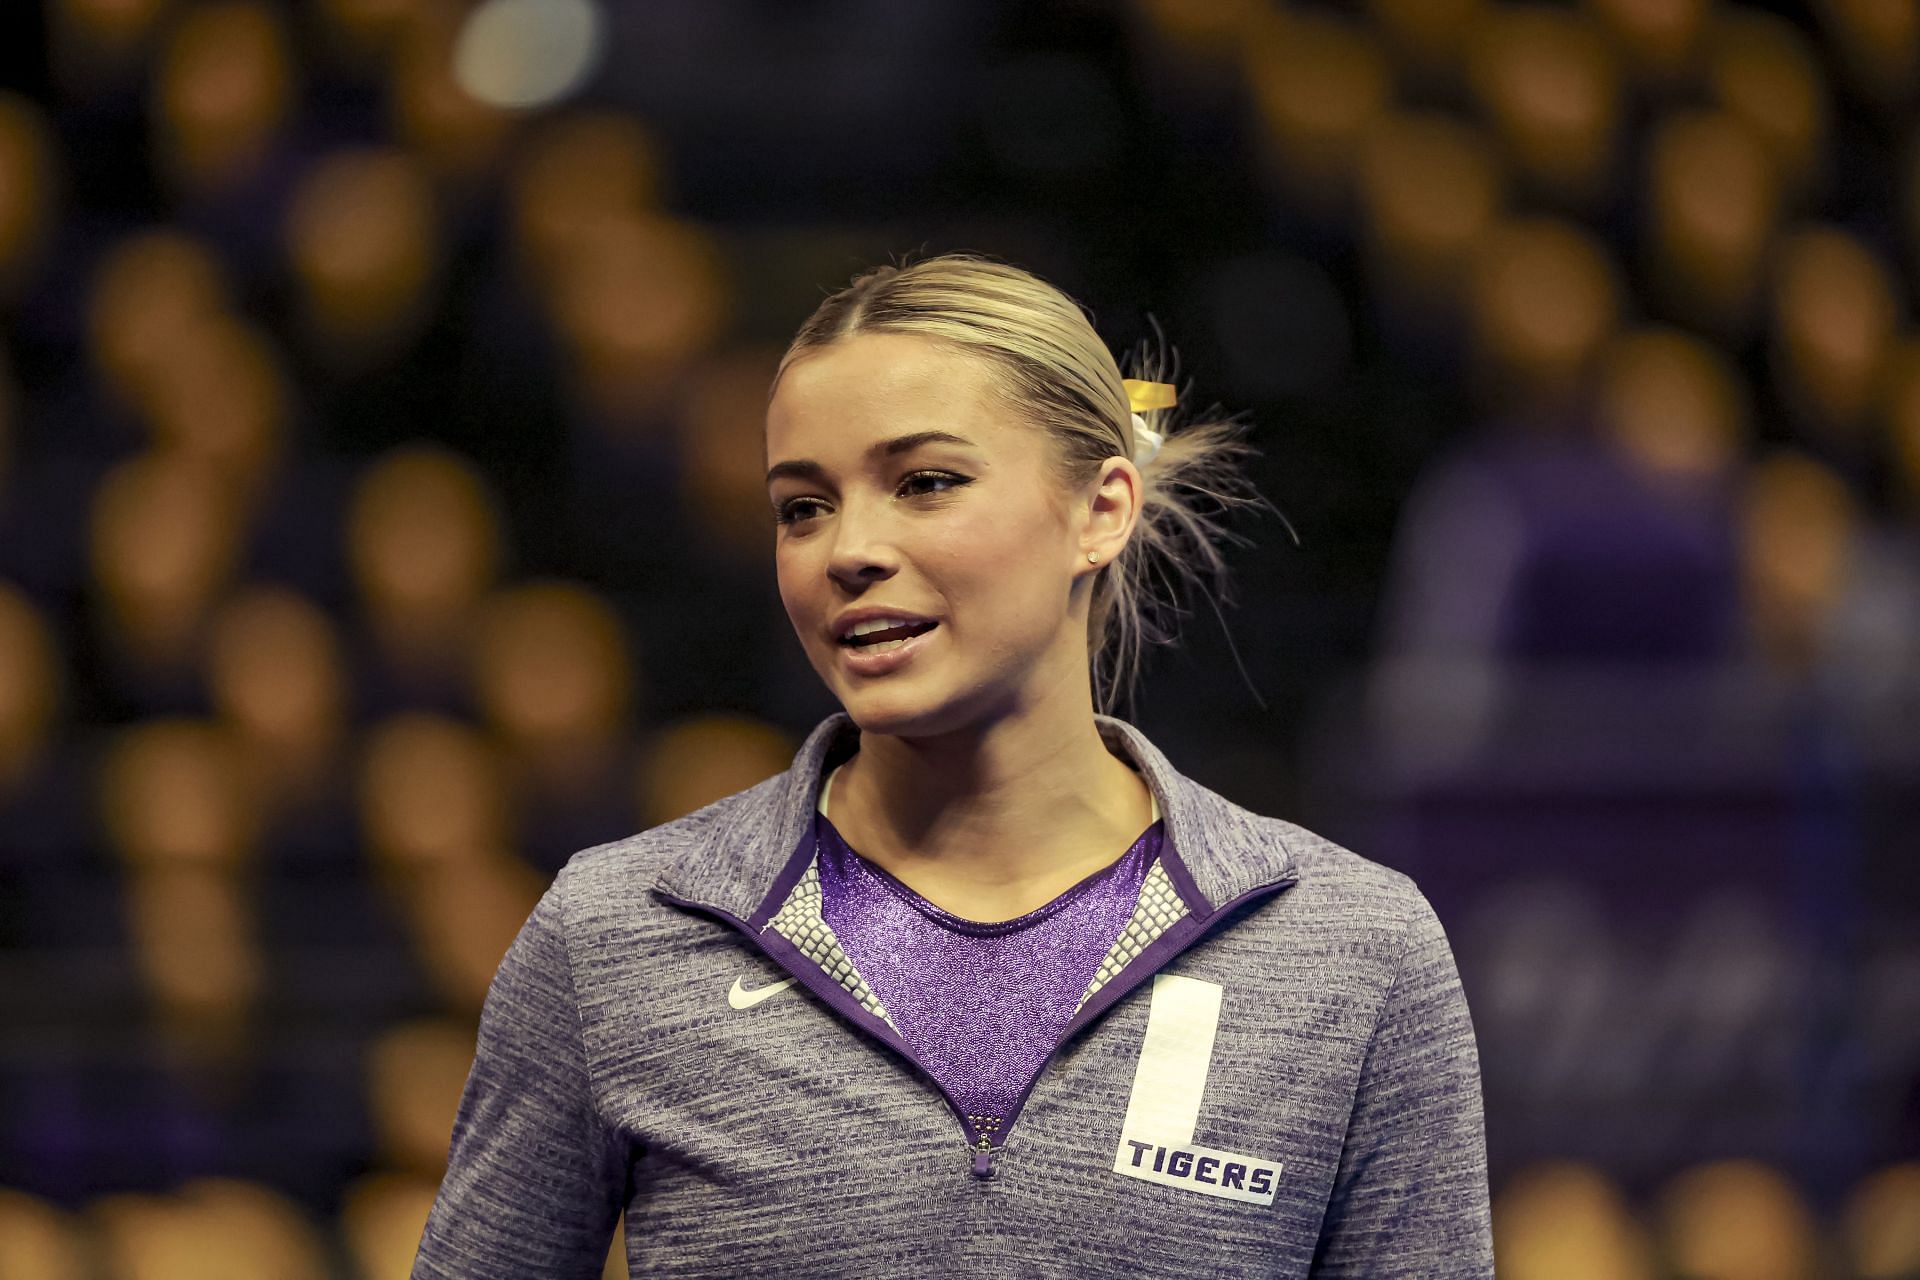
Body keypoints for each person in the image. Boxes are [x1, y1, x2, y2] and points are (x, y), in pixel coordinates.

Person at [412, 255, 1493, 1278]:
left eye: (924, 481)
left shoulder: (1351, 951)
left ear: (1100, 507)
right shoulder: (618, 930)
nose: (848, 549)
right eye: (803, 505)